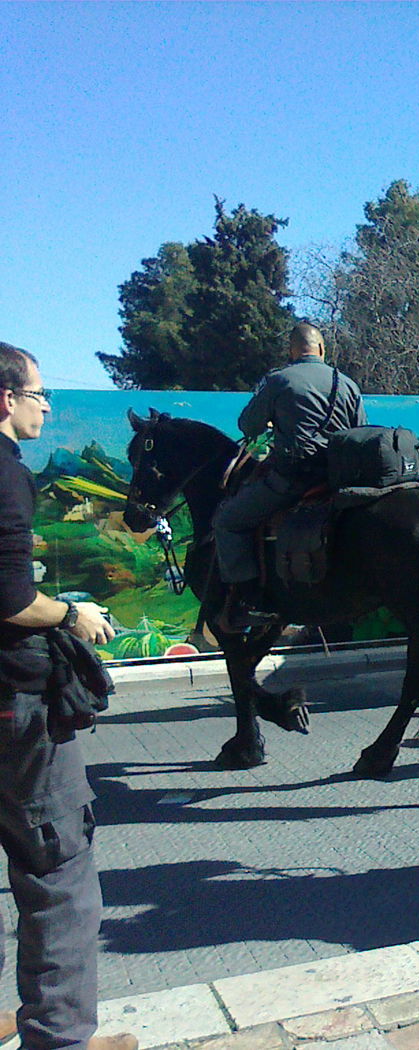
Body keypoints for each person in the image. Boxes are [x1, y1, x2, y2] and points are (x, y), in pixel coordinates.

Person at [0, 341, 136, 1050]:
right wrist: (71, 614)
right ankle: (57, 1038)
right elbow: (9, 597)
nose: (46, 405)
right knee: (58, 866)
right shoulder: (6, 475)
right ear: (5, 400)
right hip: (13, 701)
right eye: (38, 393)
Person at [212, 323, 366, 628]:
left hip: (294, 480)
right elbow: (360, 432)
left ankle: (249, 601)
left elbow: (248, 426)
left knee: (228, 521)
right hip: (337, 479)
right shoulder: (346, 384)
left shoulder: (279, 380)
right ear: (322, 350)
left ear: (292, 351)